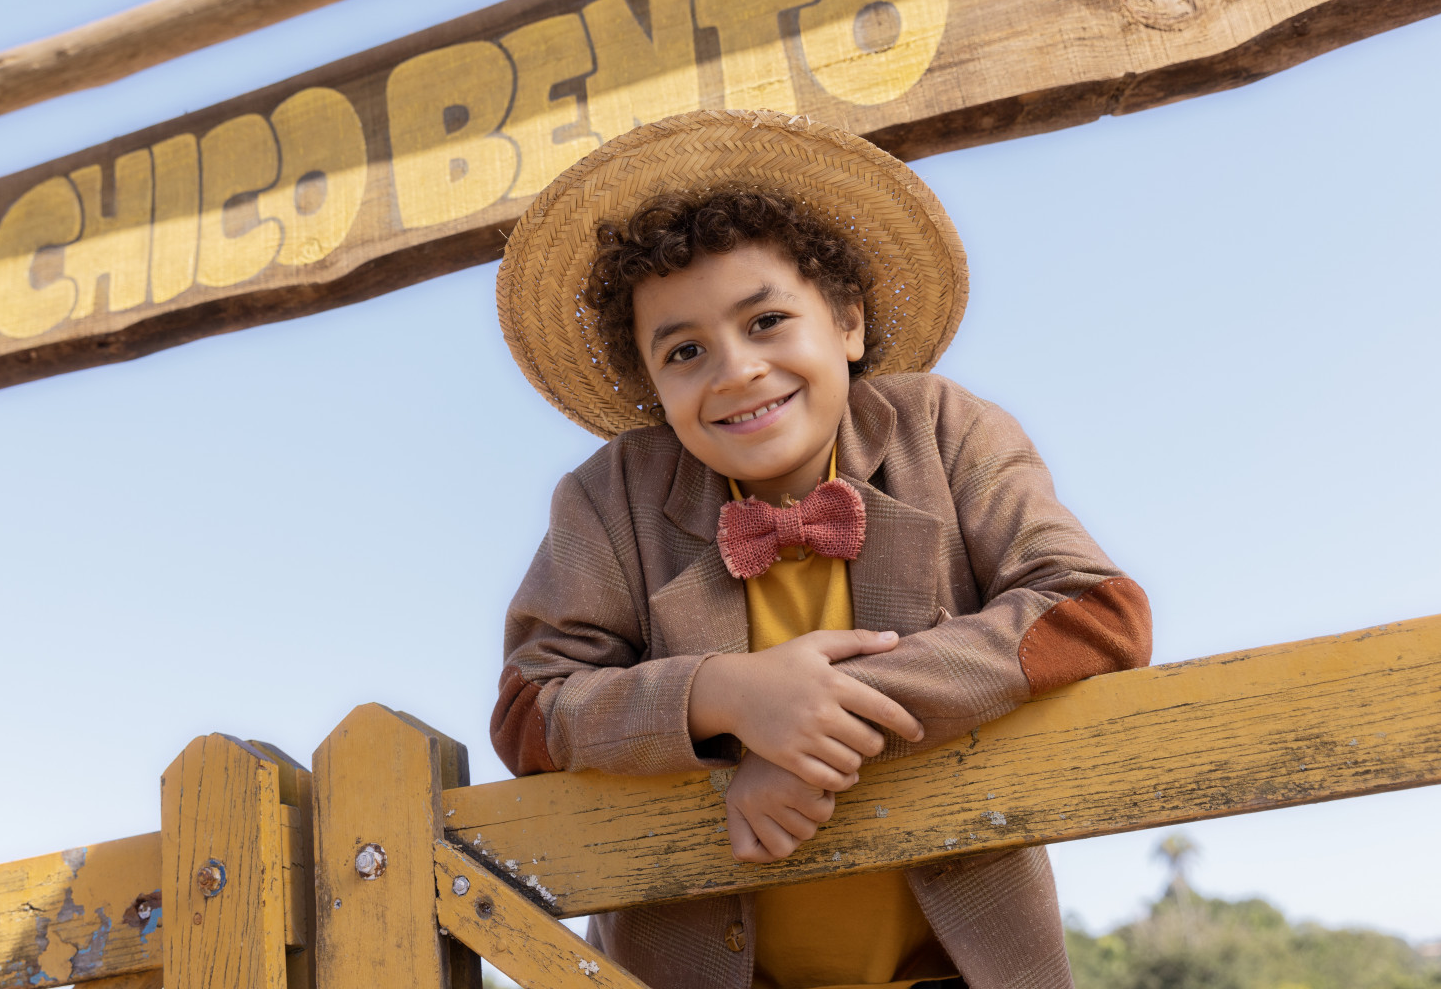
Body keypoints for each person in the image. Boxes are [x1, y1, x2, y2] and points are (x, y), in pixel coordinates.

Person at [489, 110, 1151, 989]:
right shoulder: (608, 498)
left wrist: (819, 713)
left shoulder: (944, 429)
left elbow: (1094, 611)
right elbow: (531, 713)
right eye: (685, 350)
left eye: (765, 321)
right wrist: (724, 698)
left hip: (958, 964)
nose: (734, 370)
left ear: (847, 321)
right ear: (654, 386)